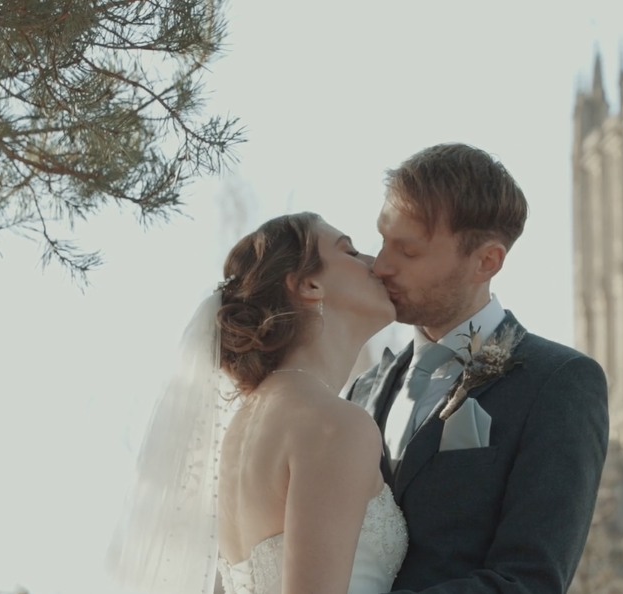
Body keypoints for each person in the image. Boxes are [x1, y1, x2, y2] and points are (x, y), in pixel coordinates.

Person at [346, 143, 609, 593]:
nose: (381, 266)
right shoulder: (360, 393)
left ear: (486, 261)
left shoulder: (559, 384)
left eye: (407, 252)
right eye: (383, 241)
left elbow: (528, 582)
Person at [107, 213, 409, 594]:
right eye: (349, 250)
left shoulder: (241, 431)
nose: (375, 264)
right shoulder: (332, 424)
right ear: (309, 285)